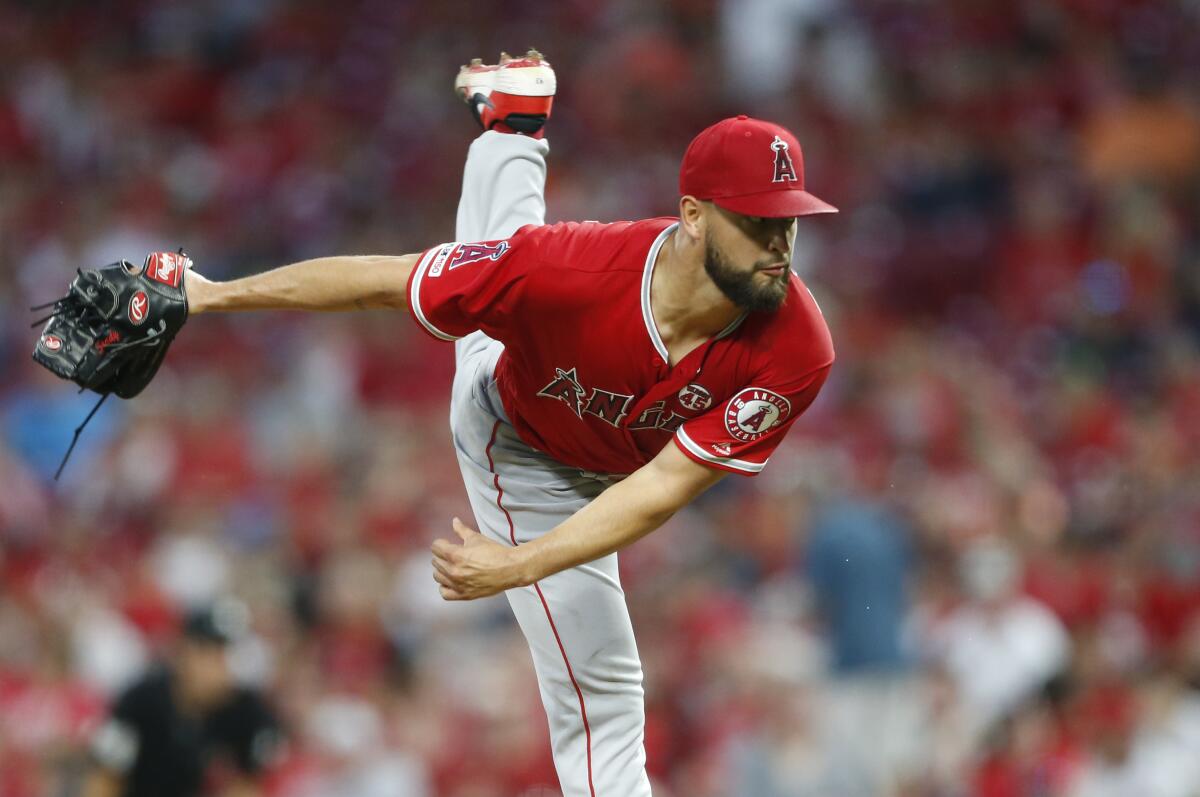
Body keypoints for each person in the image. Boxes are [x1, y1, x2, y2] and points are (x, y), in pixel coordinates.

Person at [182, 49, 837, 796]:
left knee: (499, 260)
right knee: (604, 694)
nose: (779, 246)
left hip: (611, 455)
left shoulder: (797, 345)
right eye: (758, 224)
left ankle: (512, 126)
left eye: (788, 223)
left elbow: (664, 487)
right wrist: (210, 297)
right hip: (517, 433)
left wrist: (522, 564)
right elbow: (382, 282)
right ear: (693, 215)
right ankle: (511, 133)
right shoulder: (577, 271)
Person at [83, 601, 283, 797]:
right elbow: (105, 779)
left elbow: (251, 786)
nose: (218, 666)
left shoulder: (250, 714)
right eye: (208, 652)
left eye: (225, 654)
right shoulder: (139, 702)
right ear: (183, 651)